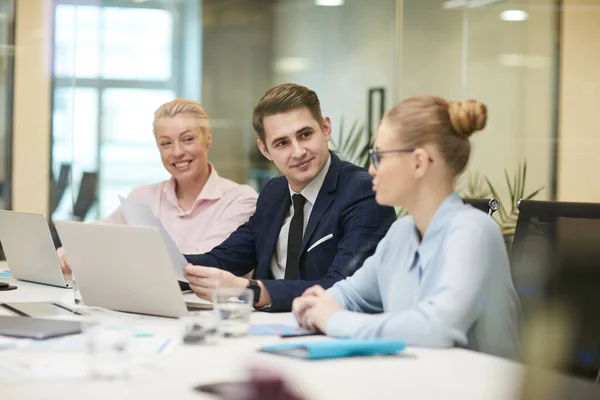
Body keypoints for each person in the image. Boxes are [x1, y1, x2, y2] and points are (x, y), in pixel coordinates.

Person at [292, 95, 521, 360]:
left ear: (419, 162)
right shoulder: (401, 233)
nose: (370, 170)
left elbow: (437, 328)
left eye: (379, 157)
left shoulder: (474, 233)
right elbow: (350, 294)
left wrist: (335, 320)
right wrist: (314, 304)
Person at [183, 83, 397, 312]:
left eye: (305, 135)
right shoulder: (273, 193)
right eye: (282, 143)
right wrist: (160, 263)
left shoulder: (363, 191)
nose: (297, 152)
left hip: (329, 332)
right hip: (266, 329)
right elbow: (223, 260)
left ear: (325, 129)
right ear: (265, 150)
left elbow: (345, 287)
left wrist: (253, 290)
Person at [59, 99, 258, 274]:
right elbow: (101, 233)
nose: (177, 152)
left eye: (187, 139)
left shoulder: (239, 199)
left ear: (207, 138)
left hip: (210, 312)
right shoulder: (142, 197)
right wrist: (70, 250)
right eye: (166, 143)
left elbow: (204, 263)